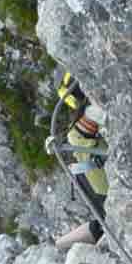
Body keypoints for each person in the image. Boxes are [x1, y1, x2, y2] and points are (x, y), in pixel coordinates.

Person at [46, 73, 109, 246]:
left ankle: (57, 244)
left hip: (94, 184)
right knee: (102, 223)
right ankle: (57, 244)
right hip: (94, 183)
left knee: (102, 223)